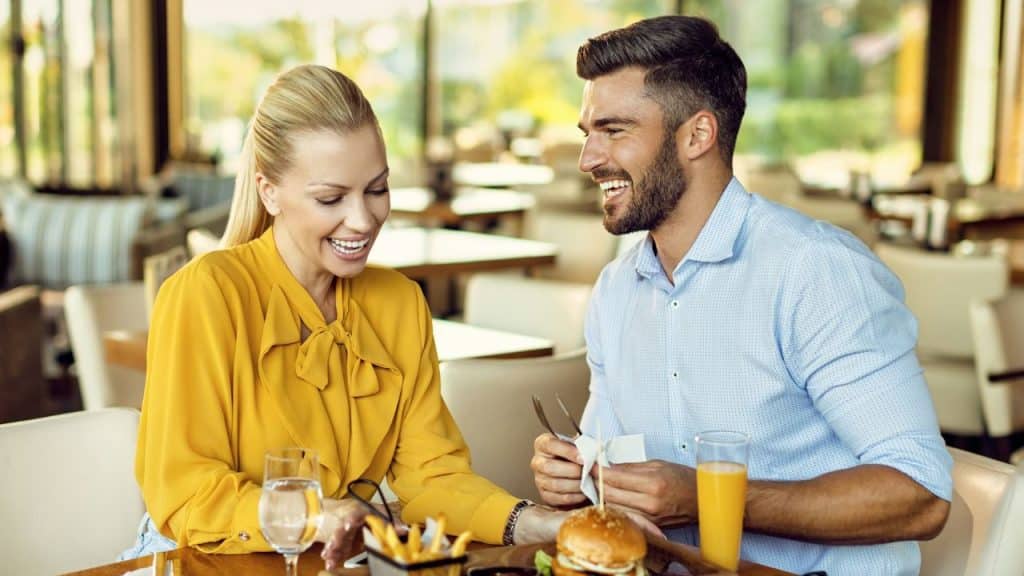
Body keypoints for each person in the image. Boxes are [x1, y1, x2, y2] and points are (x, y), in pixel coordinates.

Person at [530, 16, 952, 575]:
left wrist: (710, 497)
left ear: (697, 135)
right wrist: (578, 476)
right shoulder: (616, 289)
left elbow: (920, 495)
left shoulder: (815, 271)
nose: (588, 158)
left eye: (614, 130)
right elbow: (611, 467)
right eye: (588, 132)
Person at [126, 64, 558, 570]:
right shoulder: (206, 293)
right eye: (331, 198)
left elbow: (432, 478)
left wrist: (535, 521)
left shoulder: (400, 302)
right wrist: (318, 515)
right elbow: (185, 494)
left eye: (377, 189)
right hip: (199, 560)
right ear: (269, 191)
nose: (363, 219)